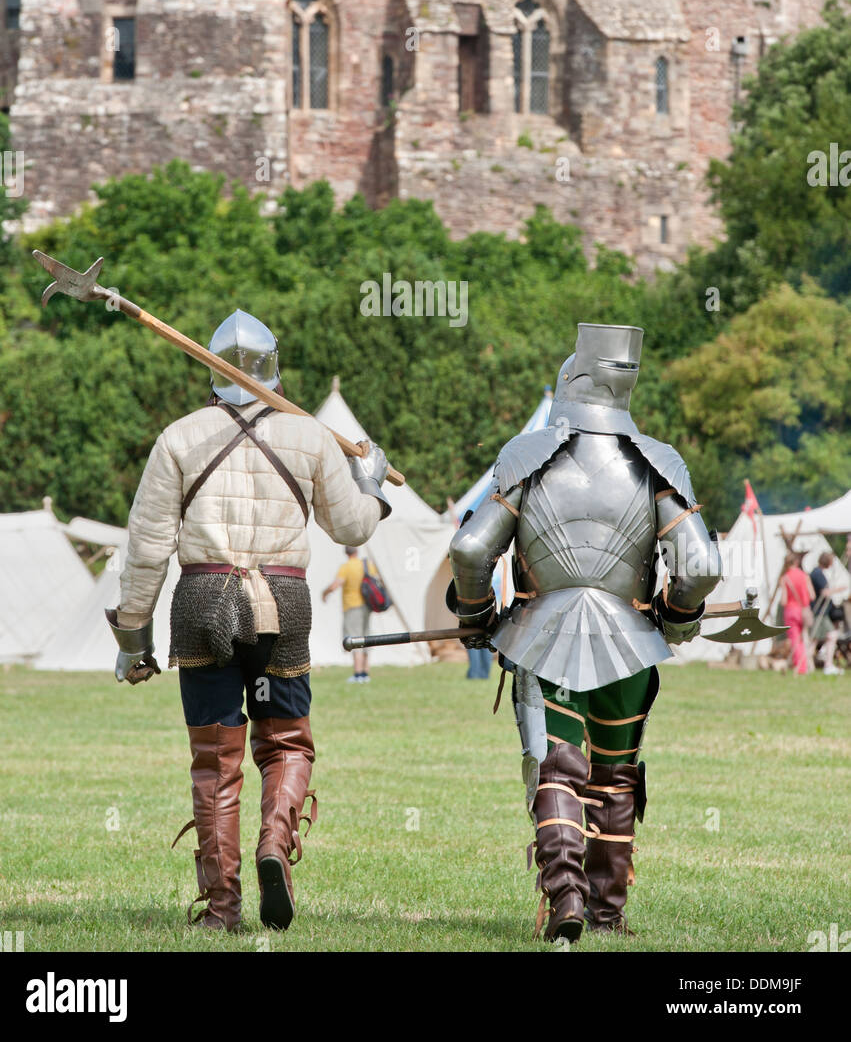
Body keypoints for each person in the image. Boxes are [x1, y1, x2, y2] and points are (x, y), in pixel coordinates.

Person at [104, 309, 391, 933]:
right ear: (275, 371)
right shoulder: (310, 436)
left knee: (214, 760)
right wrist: (371, 483)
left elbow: (147, 548)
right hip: (281, 607)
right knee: (285, 742)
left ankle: (222, 908)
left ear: (212, 375)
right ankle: (273, 847)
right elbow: (352, 527)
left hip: (202, 602)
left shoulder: (178, 436)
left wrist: (133, 638)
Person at [449, 322, 722, 942]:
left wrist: (476, 619)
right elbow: (701, 565)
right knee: (617, 776)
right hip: (631, 642)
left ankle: (565, 894)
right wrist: (674, 620)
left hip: (543, 637)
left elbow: (470, 549)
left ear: (570, 385)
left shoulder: (528, 456)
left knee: (558, 768)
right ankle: (606, 911)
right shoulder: (657, 462)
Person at [323, 545, 372, 683]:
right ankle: (365, 673)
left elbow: (336, 584)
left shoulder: (346, 567)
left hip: (352, 607)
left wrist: (325, 593)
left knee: (355, 640)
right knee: (367, 638)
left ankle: (358, 674)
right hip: (367, 607)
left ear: (346, 552)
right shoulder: (366, 564)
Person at [809, 550, 845, 675]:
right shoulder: (818, 573)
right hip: (819, 612)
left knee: (815, 639)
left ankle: (809, 664)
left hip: (819, 612)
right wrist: (839, 589)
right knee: (828, 636)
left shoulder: (817, 572)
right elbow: (825, 592)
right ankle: (827, 664)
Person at [782, 554, 815, 675]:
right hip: (804, 610)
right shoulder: (804, 576)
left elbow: (783, 601)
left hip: (791, 610)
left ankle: (800, 667)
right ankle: (807, 665)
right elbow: (812, 595)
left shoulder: (785, 578)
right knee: (805, 639)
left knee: (795, 640)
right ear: (796, 563)